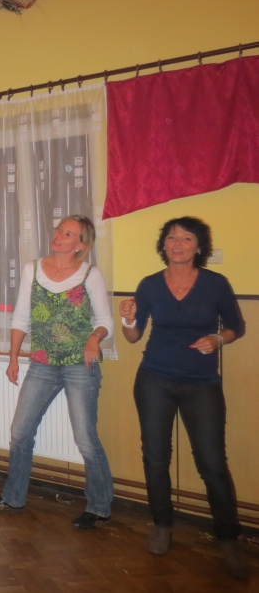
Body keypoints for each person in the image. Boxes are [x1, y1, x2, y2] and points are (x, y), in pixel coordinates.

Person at [119, 216, 248, 579]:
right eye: (172, 238)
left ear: (199, 246)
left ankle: (228, 536)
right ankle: (162, 525)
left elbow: (236, 326)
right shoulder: (149, 285)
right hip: (154, 379)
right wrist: (128, 319)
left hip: (201, 383)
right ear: (164, 245)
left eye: (187, 238)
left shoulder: (215, 283)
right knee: (155, 457)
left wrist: (217, 339)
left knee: (212, 463)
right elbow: (133, 336)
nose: (178, 244)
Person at [0, 215, 115, 531]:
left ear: (80, 244)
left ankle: (99, 506)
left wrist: (94, 338)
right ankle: (13, 497)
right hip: (41, 363)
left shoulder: (90, 274)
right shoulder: (33, 269)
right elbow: (21, 316)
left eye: (68, 233)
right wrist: (13, 358)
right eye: (58, 229)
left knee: (85, 439)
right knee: (20, 432)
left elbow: (104, 320)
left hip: (79, 365)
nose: (59, 235)